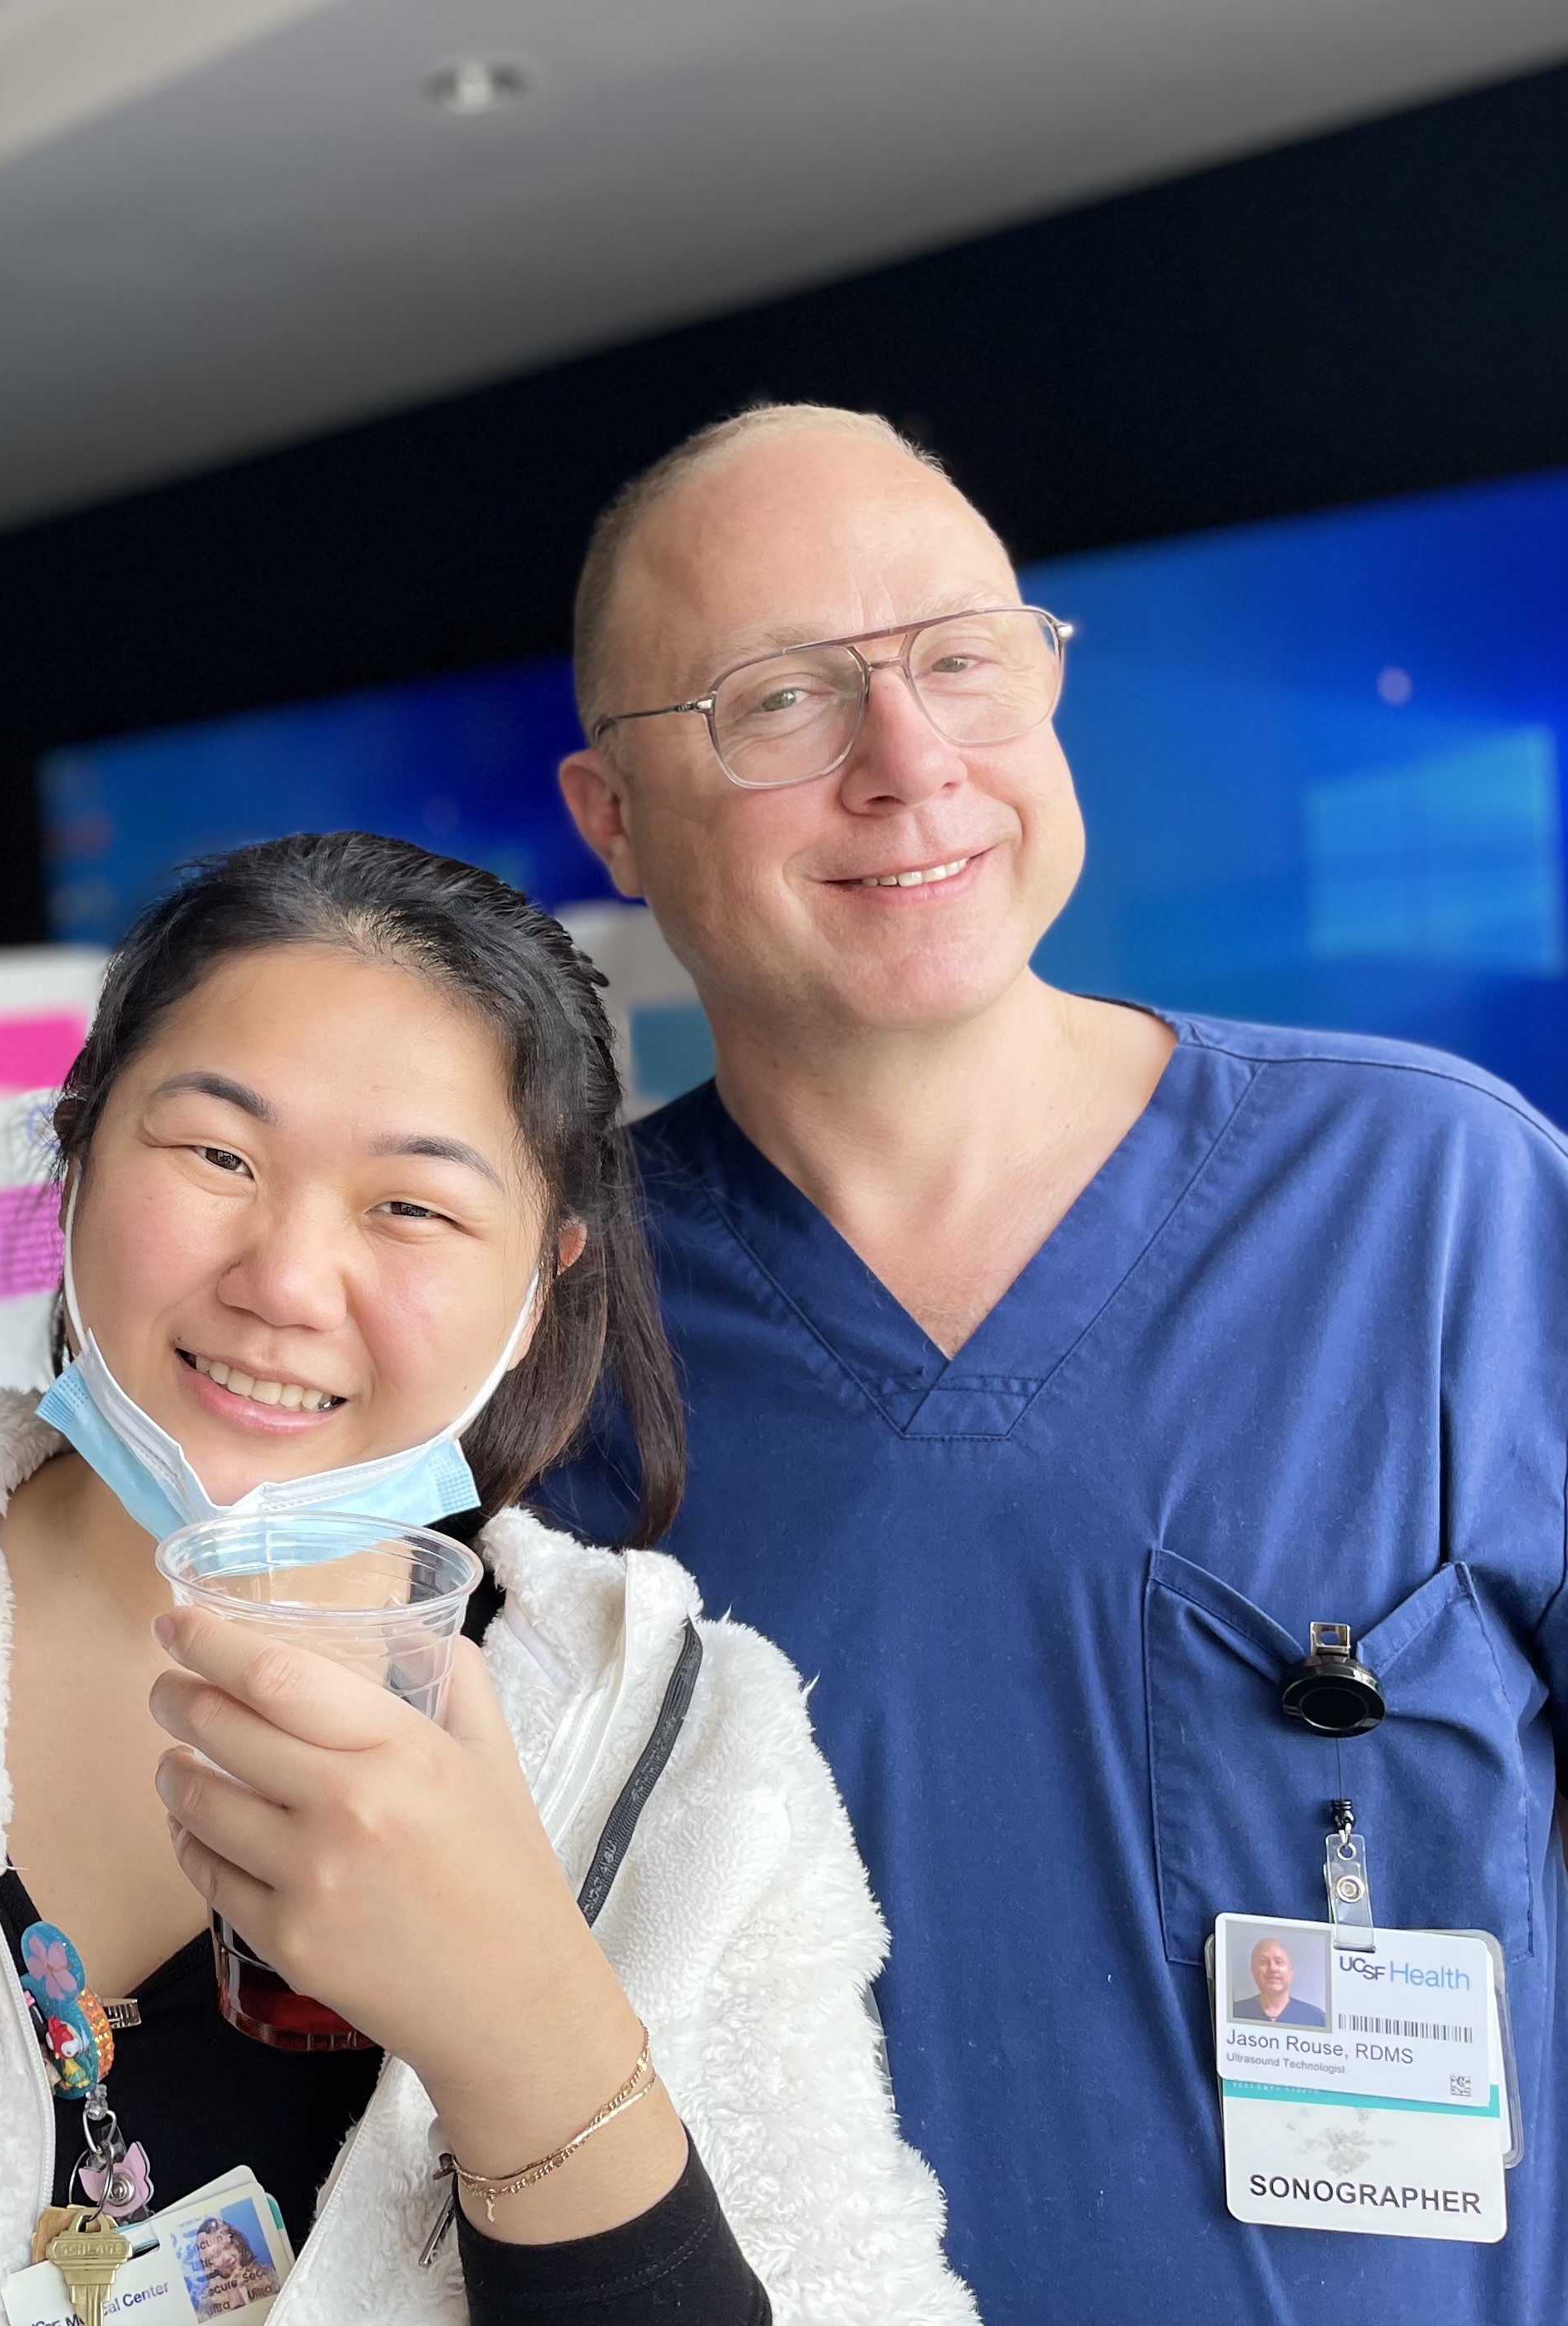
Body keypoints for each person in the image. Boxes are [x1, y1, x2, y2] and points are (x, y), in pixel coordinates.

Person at [0, 833, 971, 2325]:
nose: (284, 1276)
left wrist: (528, 2026)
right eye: (218, 1156)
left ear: (543, 1281)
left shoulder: (692, 1747)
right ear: (76, 1147)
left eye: (413, 1206)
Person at [545, 405, 1568, 2323]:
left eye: (957, 659)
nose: (907, 763)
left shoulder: (1439, 1201)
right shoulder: (532, 1318)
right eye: (774, 699)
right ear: (609, 814)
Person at [1230, 1937, 1324, 2029]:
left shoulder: (1316, 2019)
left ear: (1290, 1972)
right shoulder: (1233, 2013)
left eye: (1279, 1962)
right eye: (1264, 1962)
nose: (1272, 1969)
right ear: (1253, 1970)